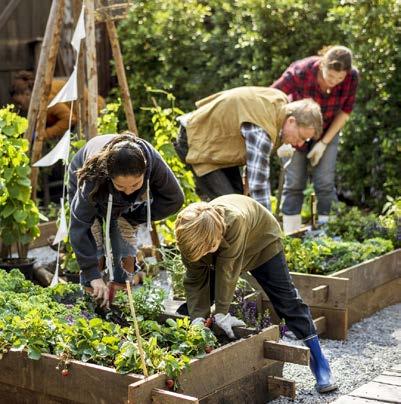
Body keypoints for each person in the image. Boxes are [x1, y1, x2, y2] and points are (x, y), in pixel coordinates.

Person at [175, 194, 337, 393]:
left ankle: (319, 361)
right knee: (196, 304)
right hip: (219, 246)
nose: (202, 255)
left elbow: (228, 269)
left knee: (286, 300)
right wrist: (198, 319)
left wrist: (221, 312)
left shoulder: (234, 221)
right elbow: (194, 280)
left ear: (215, 237)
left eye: (207, 250)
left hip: (262, 243)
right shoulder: (189, 234)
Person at [68, 133, 184, 307]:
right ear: (109, 176)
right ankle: (91, 303)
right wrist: (92, 274)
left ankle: (120, 300)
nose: (129, 191)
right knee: (95, 242)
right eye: (121, 186)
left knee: (123, 240)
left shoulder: (153, 162)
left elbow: (174, 199)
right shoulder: (92, 176)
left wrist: (135, 216)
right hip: (89, 183)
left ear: (145, 172)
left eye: (135, 185)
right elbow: (79, 227)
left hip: (123, 205)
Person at [174, 86, 322, 211]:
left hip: (218, 146)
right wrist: (269, 231)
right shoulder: (263, 130)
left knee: (239, 200)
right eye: (302, 137)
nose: (301, 144)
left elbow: (252, 157)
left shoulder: (280, 104)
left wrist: (247, 182)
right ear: (291, 121)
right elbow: (259, 186)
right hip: (196, 139)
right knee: (232, 208)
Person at [271, 46, 359, 233]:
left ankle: (328, 233)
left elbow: (345, 111)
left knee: (325, 182)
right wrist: (279, 130)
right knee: (293, 182)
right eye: (330, 76)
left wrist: (324, 143)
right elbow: (272, 96)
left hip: (328, 130)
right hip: (298, 129)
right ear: (321, 65)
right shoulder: (302, 71)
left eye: (339, 78)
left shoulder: (352, 77)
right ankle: (291, 233)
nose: (334, 82)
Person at [10, 70, 105, 140]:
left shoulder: (45, 100)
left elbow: (70, 119)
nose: (19, 107)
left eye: (19, 103)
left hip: (93, 112)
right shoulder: (37, 99)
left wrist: (43, 135)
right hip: (84, 115)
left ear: (26, 94)